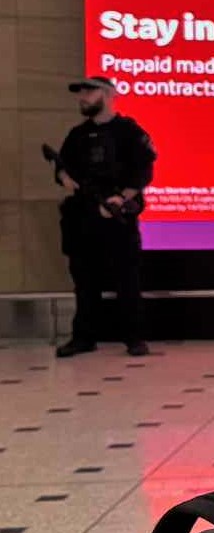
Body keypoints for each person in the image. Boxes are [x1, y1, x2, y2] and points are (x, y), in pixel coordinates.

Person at [52, 76, 154, 358]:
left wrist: (121, 197)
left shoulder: (128, 131)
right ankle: (84, 337)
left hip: (116, 215)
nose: (82, 97)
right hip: (82, 219)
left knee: (127, 279)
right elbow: (62, 167)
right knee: (84, 281)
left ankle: (134, 337)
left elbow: (144, 170)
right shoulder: (77, 135)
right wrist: (63, 177)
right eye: (80, 92)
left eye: (89, 91)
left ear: (108, 95)